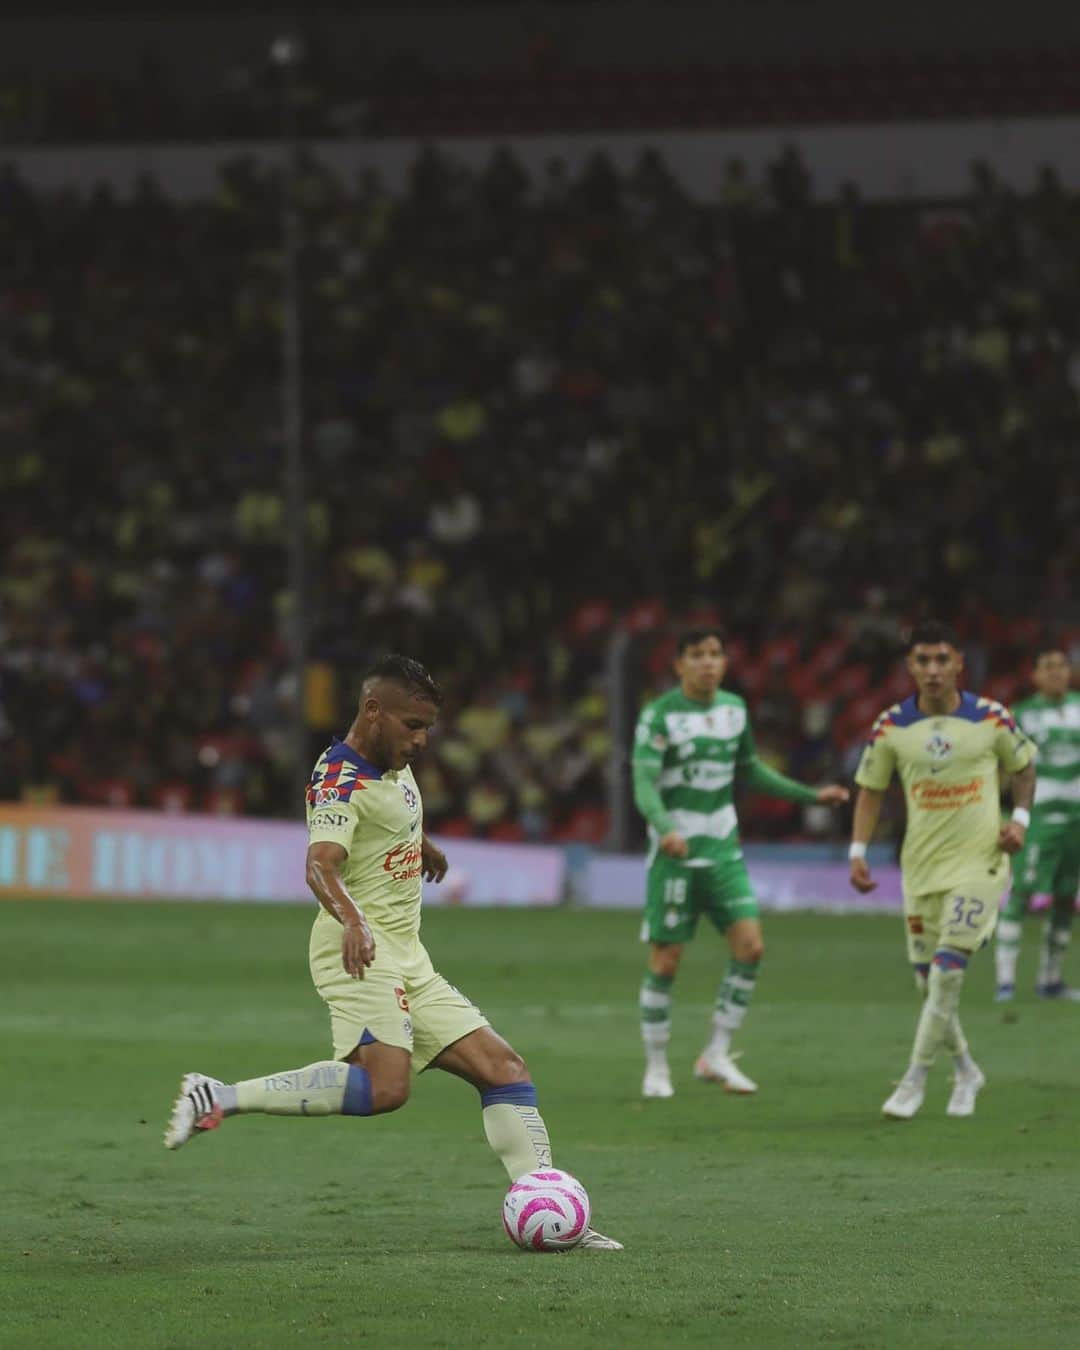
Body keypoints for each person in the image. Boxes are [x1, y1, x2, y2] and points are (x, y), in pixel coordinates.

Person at [165, 654, 622, 1250]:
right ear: (372, 711)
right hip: (357, 949)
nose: (422, 739)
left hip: (408, 954)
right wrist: (354, 920)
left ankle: (553, 1215)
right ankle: (218, 1095)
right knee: (386, 1088)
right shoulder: (338, 779)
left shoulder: (391, 763)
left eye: (428, 726)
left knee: (505, 1071)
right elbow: (318, 865)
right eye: (413, 725)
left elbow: (389, 816)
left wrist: (421, 844)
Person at [632, 627, 849, 1099]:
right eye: (697, 655)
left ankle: (717, 1053)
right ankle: (656, 1066)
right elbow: (644, 782)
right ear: (680, 665)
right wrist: (664, 825)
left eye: (716, 654)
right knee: (666, 961)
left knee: (750, 948)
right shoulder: (659, 716)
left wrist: (810, 795)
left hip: (723, 852)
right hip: (677, 856)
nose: (708, 663)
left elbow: (749, 770)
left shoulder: (733, 710)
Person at [849, 621, 1037, 1119]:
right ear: (910, 667)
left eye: (941, 660)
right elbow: (870, 790)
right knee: (927, 982)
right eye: (922, 661)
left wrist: (1019, 820)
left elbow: (1023, 768)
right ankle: (967, 1069)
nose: (932, 670)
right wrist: (857, 850)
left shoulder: (991, 718)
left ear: (958, 664)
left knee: (948, 970)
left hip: (981, 862)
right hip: (921, 867)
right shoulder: (891, 727)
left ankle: (913, 1080)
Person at [994, 646, 1080, 1000]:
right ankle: (1005, 982)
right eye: (1048, 667)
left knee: (1066, 898)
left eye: (1062, 666)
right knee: (1021, 894)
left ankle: (1050, 980)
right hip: (1038, 820)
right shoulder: (1021, 716)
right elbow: (1003, 770)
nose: (1057, 673)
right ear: (1035, 676)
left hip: (1076, 821)